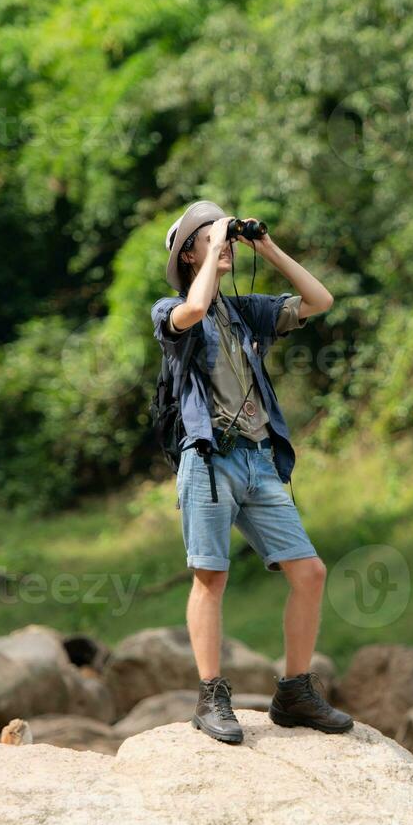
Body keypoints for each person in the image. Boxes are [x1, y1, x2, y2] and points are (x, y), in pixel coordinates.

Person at [152, 199, 352, 744]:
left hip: (259, 459)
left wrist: (267, 247)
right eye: (210, 238)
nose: (225, 246)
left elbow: (320, 300)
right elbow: (191, 313)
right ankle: (212, 695)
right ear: (189, 253)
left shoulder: (247, 311)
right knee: (211, 576)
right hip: (209, 459)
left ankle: (294, 691)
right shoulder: (167, 309)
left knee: (309, 573)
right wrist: (215, 244)